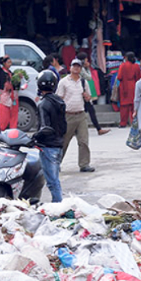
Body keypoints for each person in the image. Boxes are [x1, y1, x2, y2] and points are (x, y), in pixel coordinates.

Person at [33, 70, 66, 202]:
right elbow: (63, 126)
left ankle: (59, 208)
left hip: (48, 147)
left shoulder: (43, 104)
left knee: (53, 183)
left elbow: (45, 128)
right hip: (58, 145)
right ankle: (58, 205)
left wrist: (34, 137)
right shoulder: (59, 101)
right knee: (55, 180)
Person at [57, 58, 95, 172]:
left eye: (78, 66)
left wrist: (87, 97)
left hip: (81, 114)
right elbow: (58, 98)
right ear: (70, 68)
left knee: (83, 141)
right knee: (64, 141)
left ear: (81, 68)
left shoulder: (84, 82)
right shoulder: (64, 82)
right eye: (74, 66)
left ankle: (84, 164)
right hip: (68, 115)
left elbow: (89, 98)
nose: (76, 68)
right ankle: (56, 163)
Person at [75, 52, 109, 135]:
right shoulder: (81, 69)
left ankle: (97, 129)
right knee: (88, 111)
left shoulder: (76, 67)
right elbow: (89, 77)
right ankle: (98, 129)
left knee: (86, 111)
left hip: (80, 92)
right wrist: (87, 68)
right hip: (82, 92)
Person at [116, 52, 141, 128]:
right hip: (133, 85)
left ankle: (123, 123)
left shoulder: (123, 66)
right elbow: (139, 78)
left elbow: (119, 77)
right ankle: (134, 121)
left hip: (124, 86)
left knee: (124, 106)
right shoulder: (136, 66)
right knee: (134, 104)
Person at [0, 56, 18, 131]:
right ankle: (2, 128)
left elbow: (16, 84)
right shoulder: (1, 71)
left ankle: (13, 129)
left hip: (12, 95)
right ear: (4, 63)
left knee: (14, 113)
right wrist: (3, 57)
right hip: (5, 95)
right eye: (8, 62)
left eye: (10, 62)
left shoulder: (11, 73)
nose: (10, 64)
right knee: (4, 113)